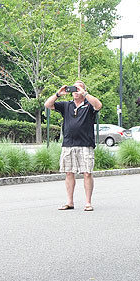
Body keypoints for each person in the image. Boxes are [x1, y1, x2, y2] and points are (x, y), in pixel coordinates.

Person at [44, 80, 103, 211]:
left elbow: (98, 105)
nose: (76, 92)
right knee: (69, 173)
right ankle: (69, 202)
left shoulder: (89, 105)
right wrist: (58, 94)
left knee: (87, 173)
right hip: (68, 144)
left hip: (85, 144)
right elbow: (47, 104)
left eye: (78, 89)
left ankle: (88, 202)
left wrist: (85, 93)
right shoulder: (66, 105)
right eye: (74, 89)